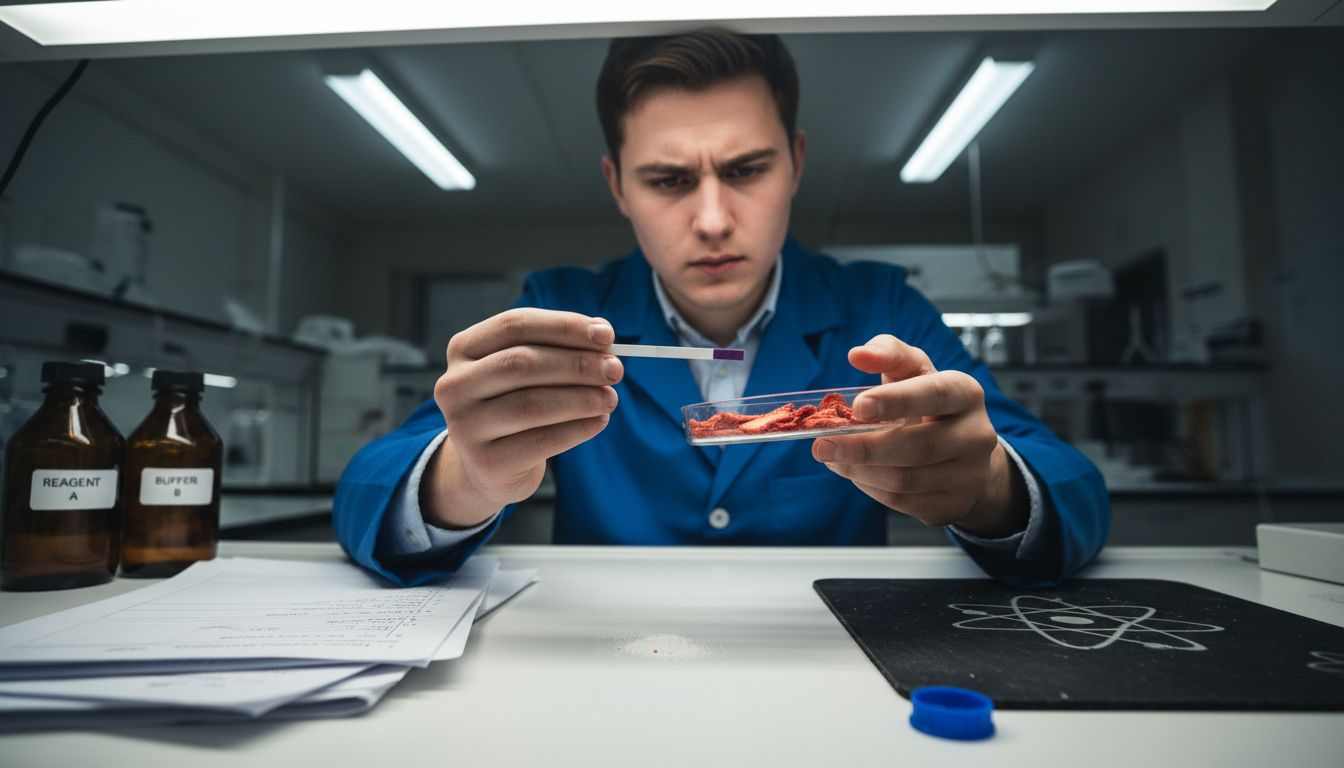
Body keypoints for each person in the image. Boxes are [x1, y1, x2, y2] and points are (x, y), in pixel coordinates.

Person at [333, 29, 1110, 588]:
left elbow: (1069, 483)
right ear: (617, 187)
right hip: (609, 672)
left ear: (797, 163)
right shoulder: (562, 308)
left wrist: (989, 487)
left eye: (746, 169)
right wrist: (463, 475)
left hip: (833, 676)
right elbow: (369, 488)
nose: (710, 219)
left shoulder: (878, 308)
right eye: (669, 180)